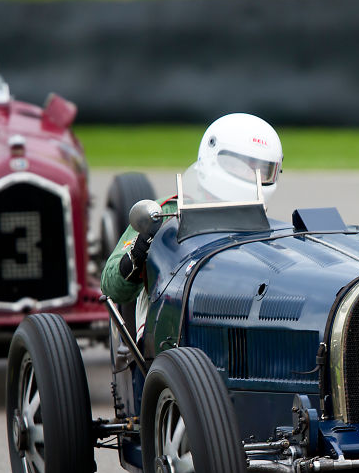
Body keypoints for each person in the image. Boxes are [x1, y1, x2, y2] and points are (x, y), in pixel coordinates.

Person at [101, 113, 283, 322]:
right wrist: (139, 252)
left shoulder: (263, 225)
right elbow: (111, 287)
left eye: (262, 169)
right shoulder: (165, 212)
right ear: (214, 159)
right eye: (242, 166)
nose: (254, 176)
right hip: (171, 326)